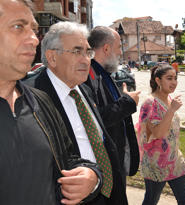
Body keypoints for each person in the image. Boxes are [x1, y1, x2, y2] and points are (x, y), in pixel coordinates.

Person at [0, 1, 102, 204]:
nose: (34, 39)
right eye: (18, 27)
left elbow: (66, 159)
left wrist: (92, 176)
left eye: (34, 30)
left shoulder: (40, 102)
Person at [24, 21, 127, 205]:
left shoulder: (84, 90)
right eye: (77, 51)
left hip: (108, 195)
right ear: (52, 57)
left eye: (88, 52)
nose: (86, 59)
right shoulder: (28, 98)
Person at [86, 26, 140, 180]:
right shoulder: (87, 76)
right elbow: (95, 119)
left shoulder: (103, 73)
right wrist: (128, 102)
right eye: (119, 47)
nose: (120, 53)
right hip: (104, 166)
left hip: (114, 160)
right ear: (106, 48)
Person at [137, 65, 185, 205]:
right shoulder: (150, 103)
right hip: (156, 164)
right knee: (151, 200)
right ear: (158, 80)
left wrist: (171, 108)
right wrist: (172, 110)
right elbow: (158, 133)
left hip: (175, 162)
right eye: (169, 78)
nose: (174, 82)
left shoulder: (169, 99)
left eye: (175, 78)